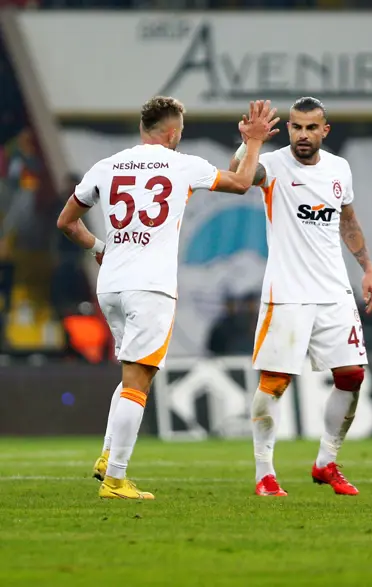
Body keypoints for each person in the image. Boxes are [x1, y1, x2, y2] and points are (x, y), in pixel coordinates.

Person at [56, 97, 279, 499]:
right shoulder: (182, 164)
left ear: (144, 127)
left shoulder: (107, 166)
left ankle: (108, 456)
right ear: (174, 132)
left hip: (111, 286)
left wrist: (99, 248)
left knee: (132, 375)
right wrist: (254, 142)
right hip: (150, 286)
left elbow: (67, 222)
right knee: (138, 381)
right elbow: (242, 182)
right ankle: (116, 480)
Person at [230, 97, 372, 498]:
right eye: (296, 126)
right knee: (275, 382)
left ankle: (326, 462)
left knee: (352, 376)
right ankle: (264, 473)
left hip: (333, 291)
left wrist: (367, 268)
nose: (303, 134)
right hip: (287, 293)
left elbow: (347, 221)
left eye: (311, 127)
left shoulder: (339, 168)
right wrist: (249, 142)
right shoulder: (273, 164)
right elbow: (239, 176)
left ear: (324, 131)